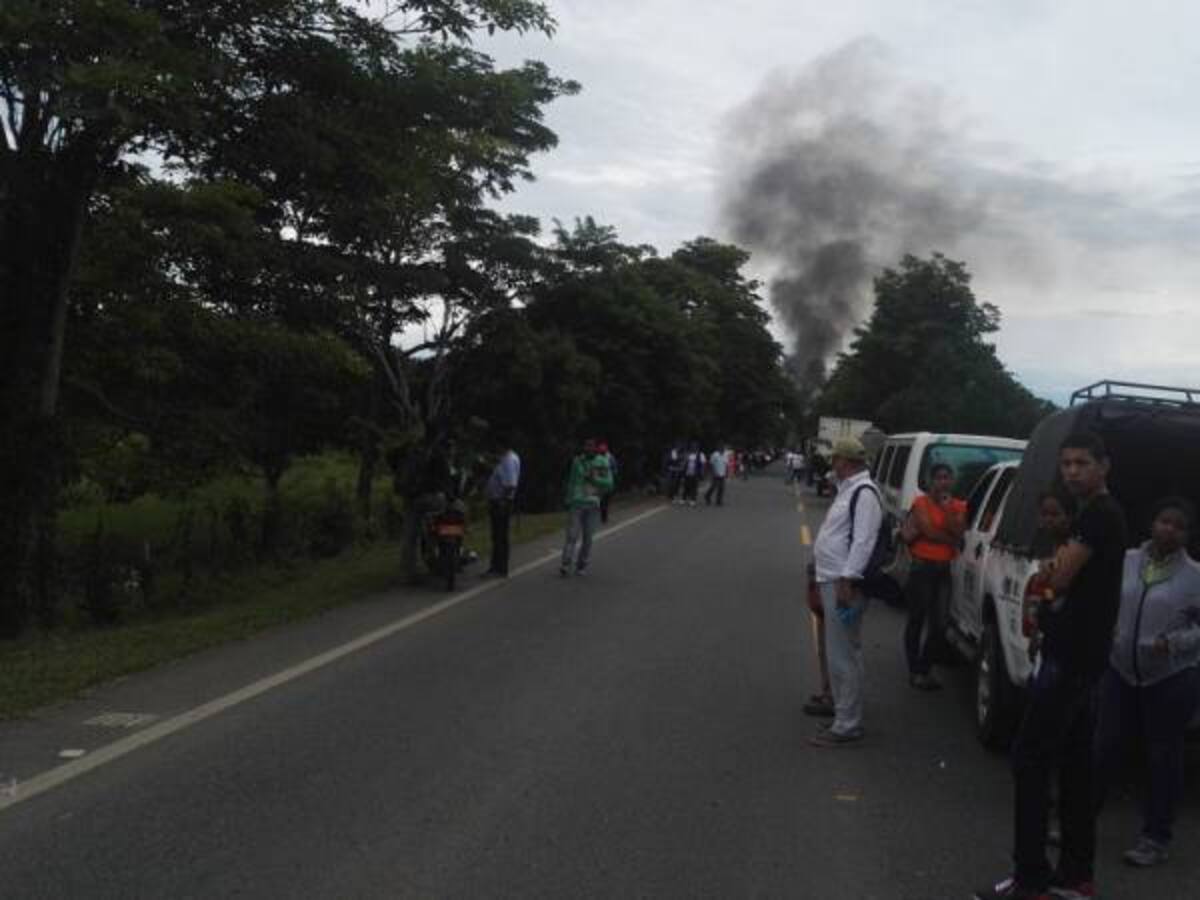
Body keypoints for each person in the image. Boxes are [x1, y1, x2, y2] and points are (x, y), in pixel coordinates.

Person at [974, 431, 1128, 900]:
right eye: (1066, 464)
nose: (1072, 471)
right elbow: (1054, 579)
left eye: (1082, 463)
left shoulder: (1099, 515)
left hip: (1070, 660)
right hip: (1082, 658)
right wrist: (1050, 578)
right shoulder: (1094, 516)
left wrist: (1050, 577)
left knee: (1030, 760)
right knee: (1076, 768)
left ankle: (1031, 879)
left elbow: (1055, 580)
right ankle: (1076, 877)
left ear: (1105, 466)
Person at [1094, 496, 1200, 868]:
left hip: (1170, 678)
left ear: (1187, 535)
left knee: (1162, 757)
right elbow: (1105, 600)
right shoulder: (1127, 561)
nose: (1168, 529)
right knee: (1102, 745)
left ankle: (1155, 836)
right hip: (1121, 670)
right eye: (1164, 521)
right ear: (1152, 524)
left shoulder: (1195, 577)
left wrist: (1172, 644)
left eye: (1178, 525)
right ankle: (1079, 818)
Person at [808, 436, 882, 747]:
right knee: (843, 651)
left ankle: (847, 724)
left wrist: (848, 580)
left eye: (836, 459)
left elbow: (863, 541)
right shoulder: (848, 488)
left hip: (843, 583)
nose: (832, 464)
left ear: (847, 462)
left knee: (843, 655)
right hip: (833, 578)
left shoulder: (864, 493)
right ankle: (843, 713)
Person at [902, 462, 967, 690]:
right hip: (922, 568)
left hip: (943, 570)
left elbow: (959, 531)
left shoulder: (958, 505)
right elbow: (928, 529)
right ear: (930, 481)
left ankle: (924, 668)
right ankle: (915, 671)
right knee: (917, 619)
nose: (943, 482)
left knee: (940, 624)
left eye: (947, 478)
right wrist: (950, 540)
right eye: (938, 477)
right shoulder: (920, 502)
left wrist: (948, 510)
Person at [560, 438, 614, 577]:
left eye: (591, 446)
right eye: (586, 446)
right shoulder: (577, 461)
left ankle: (581, 565)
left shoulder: (602, 462)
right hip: (577, 503)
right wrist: (568, 498)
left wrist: (594, 479)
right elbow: (571, 481)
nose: (588, 448)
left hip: (592, 504)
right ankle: (566, 564)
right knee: (571, 535)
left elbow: (609, 483)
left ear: (596, 448)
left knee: (588, 538)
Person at [482, 439, 520, 578]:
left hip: (501, 502)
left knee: (499, 536)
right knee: (498, 536)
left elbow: (510, 484)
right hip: (499, 501)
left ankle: (499, 568)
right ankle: (497, 566)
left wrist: (503, 500)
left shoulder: (508, 460)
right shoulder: (506, 458)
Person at [598, 442, 617, 524]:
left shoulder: (610, 457)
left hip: (608, 481)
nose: (602, 452)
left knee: (606, 499)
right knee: (602, 500)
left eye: (603, 451)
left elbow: (615, 468)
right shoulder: (597, 458)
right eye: (601, 451)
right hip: (600, 482)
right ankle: (603, 516)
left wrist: (614, 475)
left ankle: (604, 515)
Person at [682, 442, 704, 506]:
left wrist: (701, 473)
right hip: (687, 472)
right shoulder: (687, 454)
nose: (693, 448)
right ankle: (683, 499)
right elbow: (684, 463)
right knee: (686, 486)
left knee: (694, 487)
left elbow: (702, 464)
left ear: (697, 448)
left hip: (695, 473)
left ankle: (693, 500)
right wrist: (683, 470)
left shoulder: (700, 455)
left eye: (695, 446)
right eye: (692, 446)